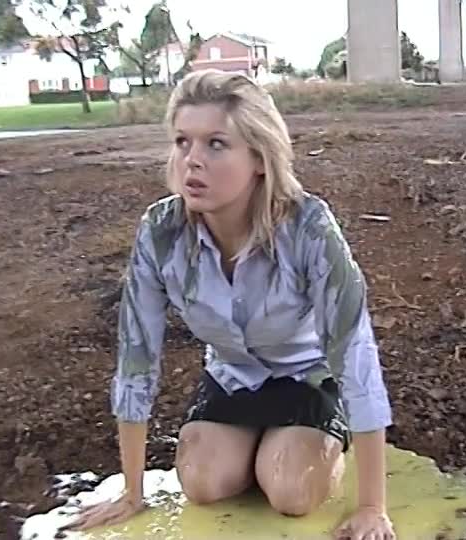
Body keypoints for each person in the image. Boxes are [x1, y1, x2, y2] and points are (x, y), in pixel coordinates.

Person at [63, 69, 395, 540]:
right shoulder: (160, 232)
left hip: (307, 376)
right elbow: (136, 357)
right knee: (201, 483)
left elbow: (354, 351)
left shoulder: (308, 228)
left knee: (291, 491)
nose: (192, 161)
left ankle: (311, 443)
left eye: (216, 144)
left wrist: (372, 506)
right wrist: (132, 493)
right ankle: (259, 446)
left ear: (259, 156)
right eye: (182, 142)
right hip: (233, 376)